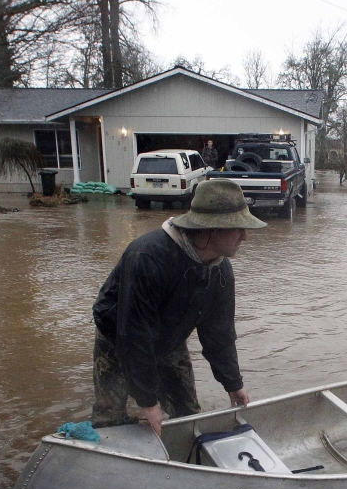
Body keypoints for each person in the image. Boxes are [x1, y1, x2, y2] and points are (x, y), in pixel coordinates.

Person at [91, 180, 266, 434]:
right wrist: (148, 401)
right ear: (212, 229)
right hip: (119, 338)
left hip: (169, 339)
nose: (245, 236)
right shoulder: (147, 257)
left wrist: (233, 383)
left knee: (188, 415)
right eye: (239, 228)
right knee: (109, 421)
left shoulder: (221, 271)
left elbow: (219, 335)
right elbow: (134, 334)